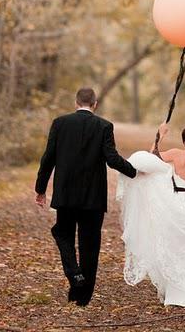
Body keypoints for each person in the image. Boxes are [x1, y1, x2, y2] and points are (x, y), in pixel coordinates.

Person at [35, 87, 137, 306]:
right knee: (90, 244)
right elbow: (112, 159)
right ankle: (82, 297)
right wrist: (134, 171)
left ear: (75, 102)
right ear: (95, 104)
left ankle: (74, 275)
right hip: (93, 198)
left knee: (63, 233)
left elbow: (48, 158)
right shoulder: (104, 126)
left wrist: (40, 188)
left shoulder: (60, 123)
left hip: (66, 195)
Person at [117, 122, 185, 309]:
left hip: (178, 206)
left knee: (178, 247)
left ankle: (178, 293)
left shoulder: (178, 154)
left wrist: (160, 134)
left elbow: (150, 158)